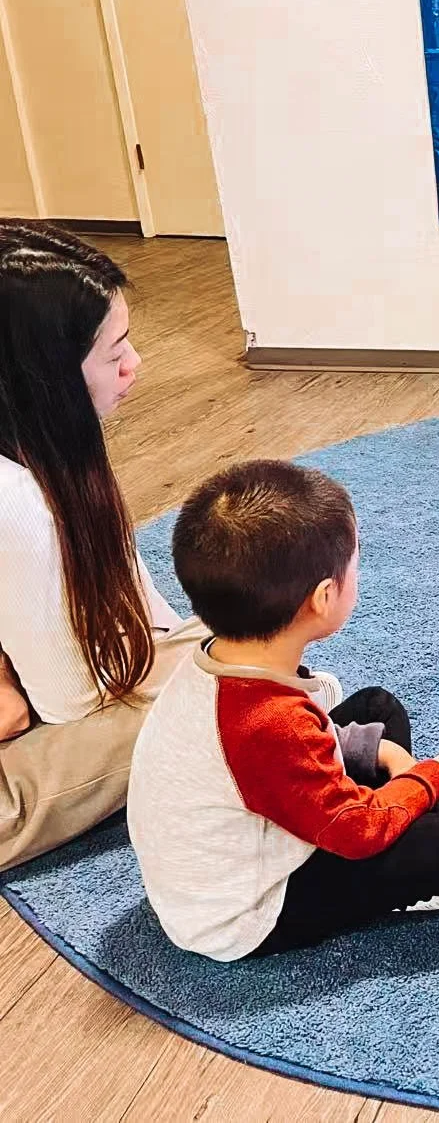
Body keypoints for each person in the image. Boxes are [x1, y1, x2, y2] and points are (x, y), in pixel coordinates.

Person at [127, 460, 439, 960]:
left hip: (247, 825)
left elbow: (288, 747)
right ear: (323, 597)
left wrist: (392, 767)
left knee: (377, 709)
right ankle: (394, 886)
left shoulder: (221, 662)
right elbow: (356, 831)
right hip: (241, 914)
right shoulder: (267, 722)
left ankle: (386, 803)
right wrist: (434, 777)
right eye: (355, 565)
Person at [0, 222, 208, 871]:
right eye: (112, 350)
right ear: (47, 375)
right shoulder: (17, 505)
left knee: (222, 665)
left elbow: (143, 606)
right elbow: (70, 703)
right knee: (211, 698)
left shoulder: (49, 450)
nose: (134, 363)